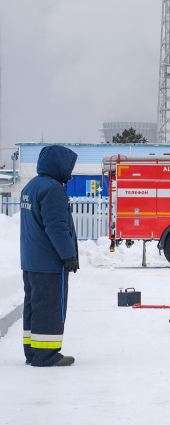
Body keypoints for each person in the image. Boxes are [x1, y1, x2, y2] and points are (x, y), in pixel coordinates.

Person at [20, 145, 79, 367]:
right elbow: (56, 226)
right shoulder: (53, 189)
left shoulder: (31, 186)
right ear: (59, 164)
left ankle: (32, 352)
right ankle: (46, 355)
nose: (70, 173)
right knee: (49, 308)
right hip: (49, 263)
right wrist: (68, 255)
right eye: (69, 166)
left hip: (32, 261)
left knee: (34, 306)